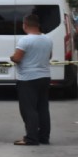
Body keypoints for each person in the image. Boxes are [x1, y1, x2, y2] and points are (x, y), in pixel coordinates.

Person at [10, 14, 53, 146]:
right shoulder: (47, 39)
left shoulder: (25, 40)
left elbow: (17, 58)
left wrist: (12, 57)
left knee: (28, 109)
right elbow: (49, 56)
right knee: (43, 108)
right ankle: (44, 136)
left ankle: (31, 137)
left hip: (28, 78)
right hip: (44, 76)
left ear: (25, 25)